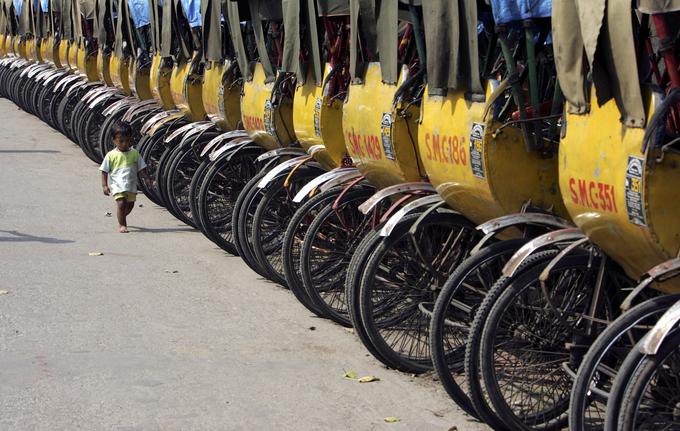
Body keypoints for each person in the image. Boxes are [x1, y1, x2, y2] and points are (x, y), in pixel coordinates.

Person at [99, 122, 153, 233]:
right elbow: (104, 171)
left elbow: (141, 168)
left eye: (127, 141)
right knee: (121, 203)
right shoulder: (111, 155)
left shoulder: (134, 153)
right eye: (121, 141)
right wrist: (104, 185)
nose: (124, 144)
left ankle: (121, 214)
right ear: (114, 140)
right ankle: (122, 224)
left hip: (131, 185)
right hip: (118, 186)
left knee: (130, 205)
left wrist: (146, 178)